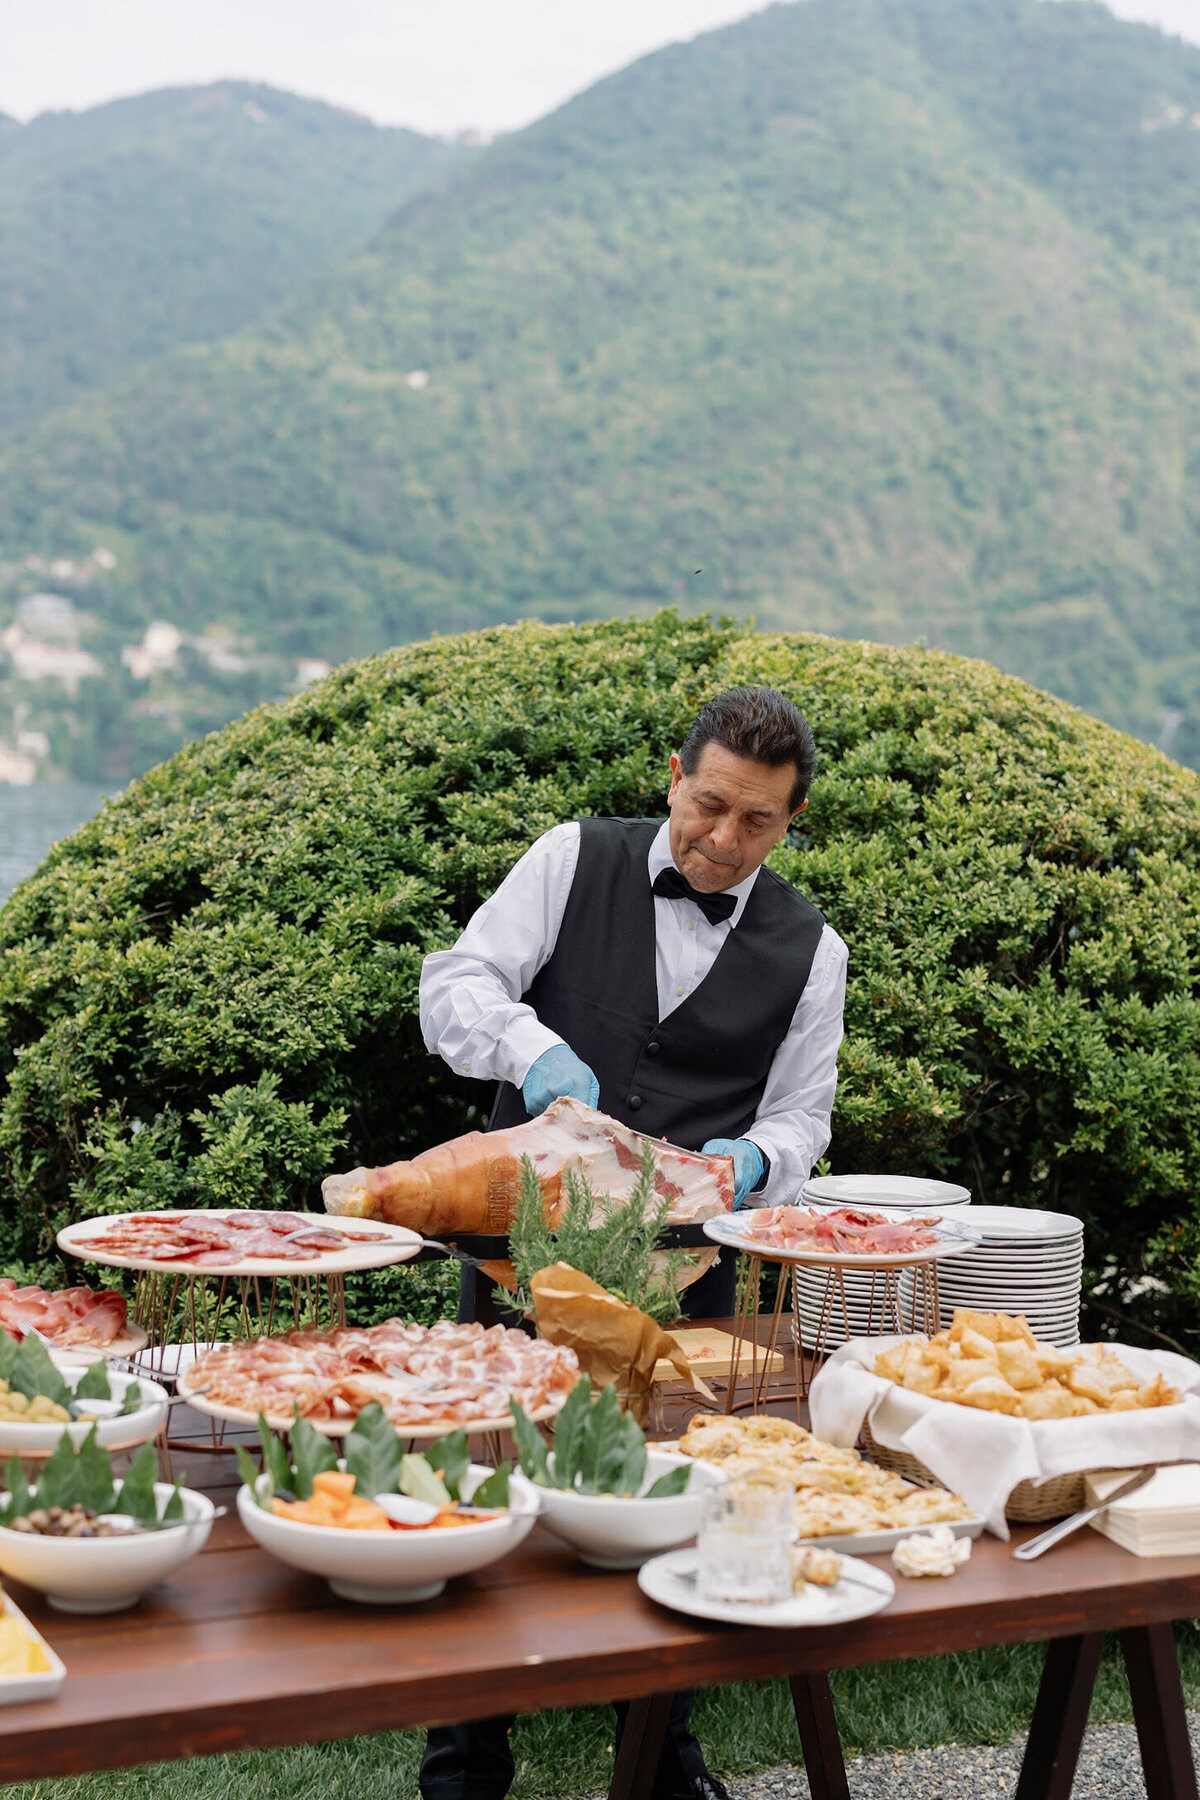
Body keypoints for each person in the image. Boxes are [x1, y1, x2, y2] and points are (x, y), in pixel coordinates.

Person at [417, 684, 848, 1800]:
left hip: (687, 1273)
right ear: (675, 775)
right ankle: (466, 1754)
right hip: (522, 1250)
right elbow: (455, 984)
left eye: (756, 822)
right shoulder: (572, 858)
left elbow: (803, 1117)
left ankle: (661, 1747)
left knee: (671, 1490)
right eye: (708, 805)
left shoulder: (814, 950)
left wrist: (755, 1164)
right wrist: (529, 1050)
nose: (720, 839)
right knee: (496, 1482)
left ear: (789, 822)